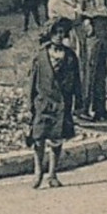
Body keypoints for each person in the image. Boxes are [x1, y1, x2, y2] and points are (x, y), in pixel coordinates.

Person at [27, 18, 80, 189]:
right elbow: (32, 83)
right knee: (38, 138)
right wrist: (30, 105)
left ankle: (52, 174)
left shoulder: (70, 56)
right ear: (49, 34)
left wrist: (79, 102)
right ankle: (38, 171)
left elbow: (77, 82)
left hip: (61, 103)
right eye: (55, 32)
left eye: (61, 33)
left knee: (57, 139)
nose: (58, 36)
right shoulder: (41, 56)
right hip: (43, 102)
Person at [74, 0, 107, 122]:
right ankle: (83, 108)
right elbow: (80, 9)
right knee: (89, 70)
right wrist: (87, 23)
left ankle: (100, 108)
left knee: (101, 71)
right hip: (93, 29)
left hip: (101, 27)